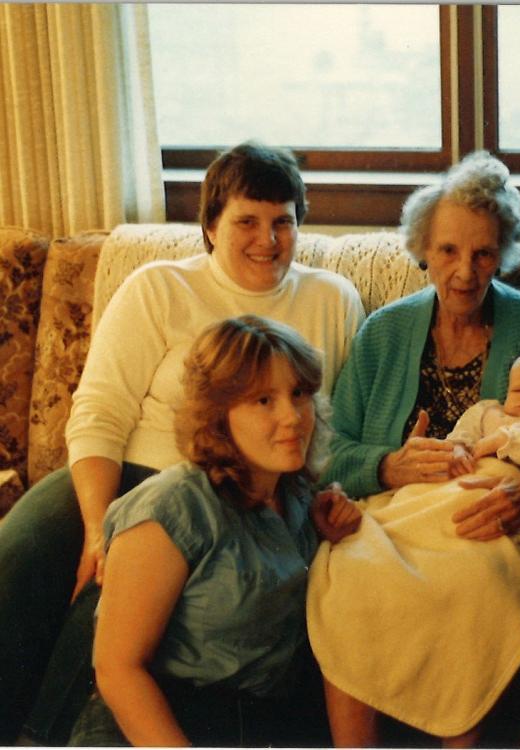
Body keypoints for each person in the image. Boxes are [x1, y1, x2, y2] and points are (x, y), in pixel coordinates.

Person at [0, 141, 365, 745]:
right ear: (209, 228)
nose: (267, 240)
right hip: (123, 473)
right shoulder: (158, 287)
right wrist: (98, 530)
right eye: (246, 221)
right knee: (20, 565)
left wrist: (322, 500)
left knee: (107, 617)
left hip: (234, 495)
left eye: (283, 222)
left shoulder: (333, 299)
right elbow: (99, 412)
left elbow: (330, 427)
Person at [318, 150, 520, 746]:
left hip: (490, 525)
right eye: (449, 250)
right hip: (396, 517)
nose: (464, 270)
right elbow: (329, 447)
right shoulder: (384, 333)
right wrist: (385, 464)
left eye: (483, 252)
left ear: (502, 255)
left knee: (478, 587)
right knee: (348, 574)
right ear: (423, 248)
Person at [66, 314, 362, 746]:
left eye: (299, 394)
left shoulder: (298, 497)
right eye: (263, 400)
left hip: (259, 723)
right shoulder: (172, 507)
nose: (293, 417)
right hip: (157, 723)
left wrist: (330, 529)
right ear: (218, 414)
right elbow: (117, 670)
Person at [307, 350, 520, 746]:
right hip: (432, 494)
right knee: (353, 567)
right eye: (517, 389)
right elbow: (331, 449)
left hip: (499, 505)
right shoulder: (484, 409)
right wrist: (439, 454)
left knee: (473, 590)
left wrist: (513, 458)